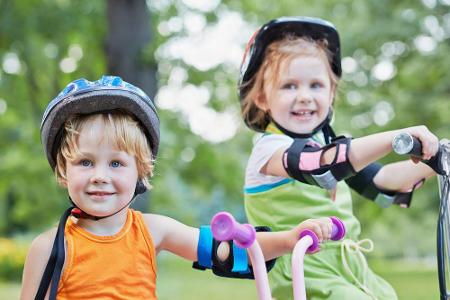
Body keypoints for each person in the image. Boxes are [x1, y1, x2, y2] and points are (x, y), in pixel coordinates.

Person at [20, 75, 335, 300]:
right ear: (64, 170)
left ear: (140, 172)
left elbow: (229, 248)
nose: (100, 176)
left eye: (116, 163)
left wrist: (290, 238)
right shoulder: (49, 247)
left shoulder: (151, 230)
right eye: (85, 162)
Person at [238, 16, 442, 300]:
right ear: (261, 98)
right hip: (303, 272)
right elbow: (318, 165)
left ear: (332, 93)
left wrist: (437, 160)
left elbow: (384, 181)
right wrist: (396, 138)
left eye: (316, 85)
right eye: (289, 86)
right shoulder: (269, 149)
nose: (305, 96)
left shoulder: (330, 145)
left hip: (350, 269)